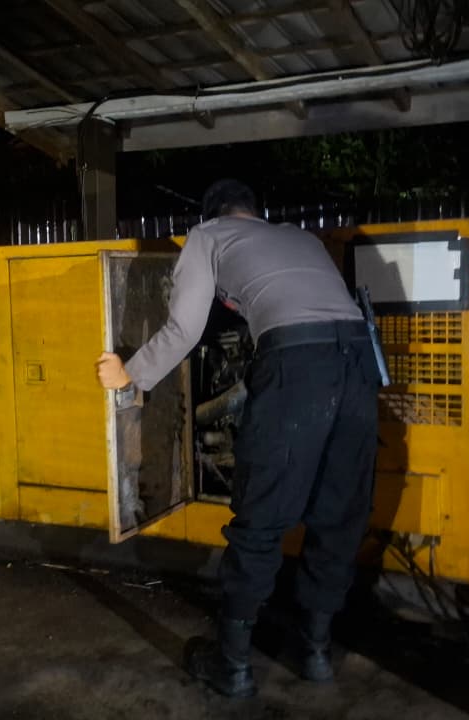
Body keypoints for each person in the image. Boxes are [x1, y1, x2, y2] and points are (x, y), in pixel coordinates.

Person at [96, 179, 380, 698]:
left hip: (297, 366)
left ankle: (232, 665)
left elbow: (184, 329)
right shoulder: (302, 237)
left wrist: (129, 374)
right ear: (254, 212)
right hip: (359, 363)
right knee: (339, 513)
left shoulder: (207, 236)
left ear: (213, 215)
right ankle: (315, 651)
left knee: (261, 517)